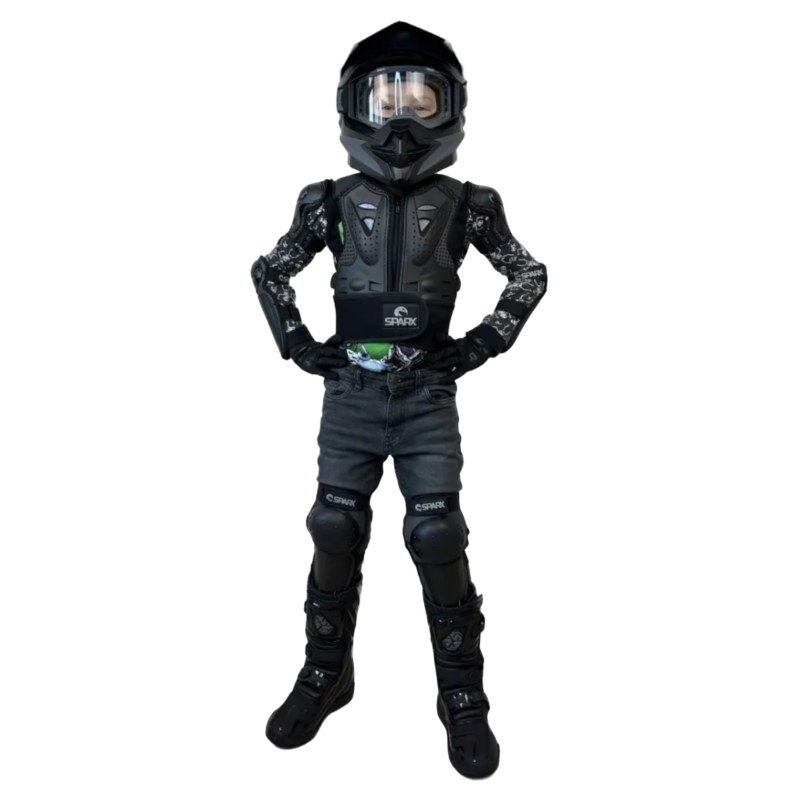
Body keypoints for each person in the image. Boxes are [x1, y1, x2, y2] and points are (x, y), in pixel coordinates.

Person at [250, 20, 547, 779]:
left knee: (438, 534)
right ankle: (326, 673)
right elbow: (270, 271)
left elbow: (528, 273)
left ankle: (463, 696)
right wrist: (299, 346)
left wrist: (479, 345)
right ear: (353, 107)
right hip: (349, 395)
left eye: (422, 100)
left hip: (426, 398)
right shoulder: (326, 202)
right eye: (386, 101)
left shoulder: (470, 204)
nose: (402, 123)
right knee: (333, 525)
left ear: (451, 108)